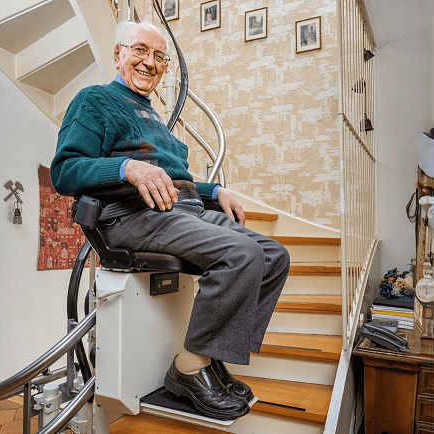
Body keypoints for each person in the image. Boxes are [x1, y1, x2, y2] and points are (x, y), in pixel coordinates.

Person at [50, 21, 290, 420]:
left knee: (274, 256)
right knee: (243, 253)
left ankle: (209, 355)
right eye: (140, 50)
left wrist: (214, 193)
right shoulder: (94, 100)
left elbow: (176, 177)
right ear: (118, 54)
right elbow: (66, 170)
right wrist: (126, 168)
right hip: (133, 215)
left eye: (159, 56)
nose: (150, 62)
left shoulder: (154, 116)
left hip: (184, 211)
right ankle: (189, 368)